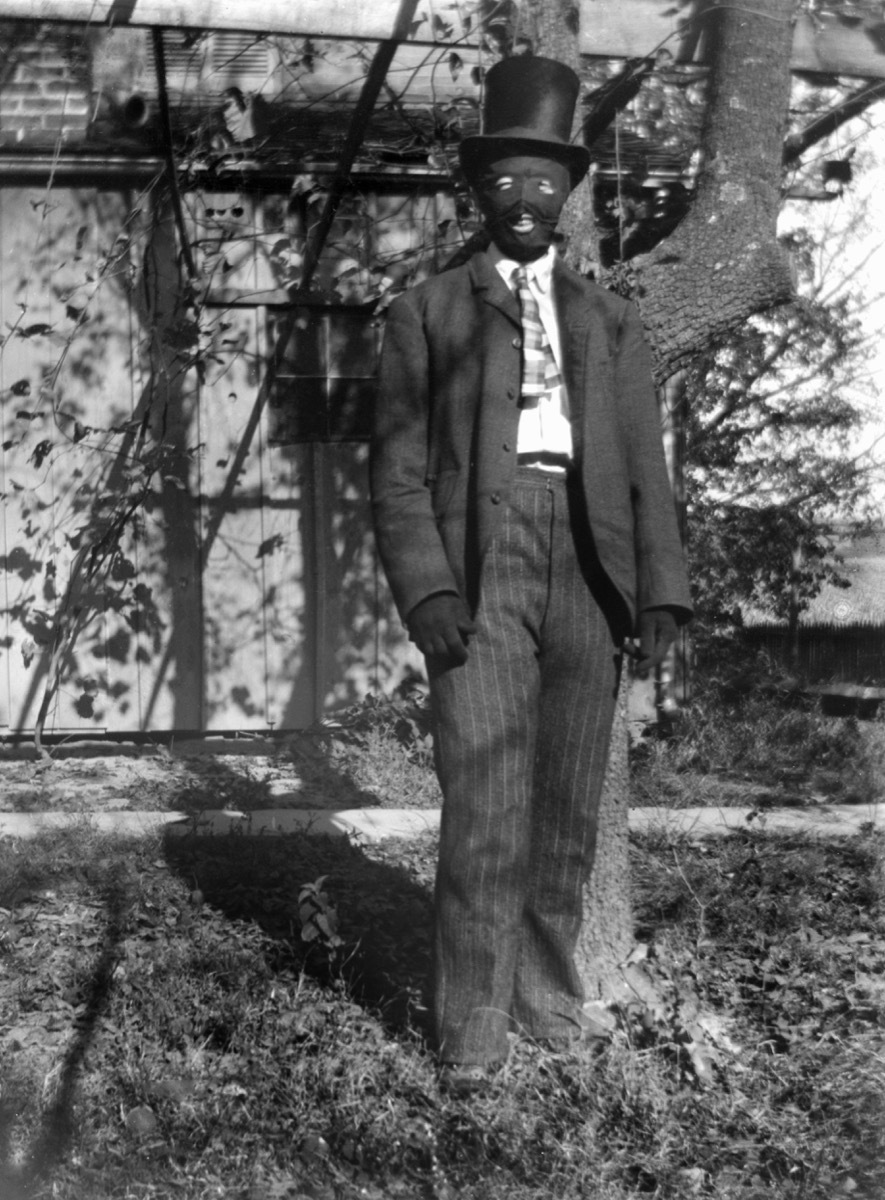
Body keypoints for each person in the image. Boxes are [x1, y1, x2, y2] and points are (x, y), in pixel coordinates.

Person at [370, 54, 692, 1094]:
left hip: (590, 567)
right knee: (486, 802)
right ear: (479, 192)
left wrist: (662, 591)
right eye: (504, 181)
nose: (524, 201)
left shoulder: (611, 319)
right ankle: (470, 1035)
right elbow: (399, 474)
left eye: (543, 184)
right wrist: (429, 591)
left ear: (569, 196)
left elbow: (646, 465)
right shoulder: (428, 316)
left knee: (562, 809)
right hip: (483, 559)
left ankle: (548, 1004)